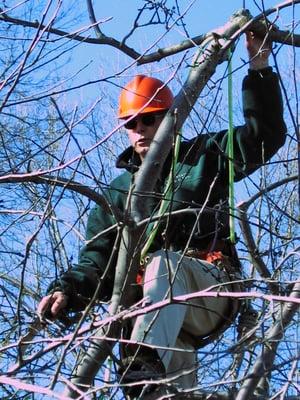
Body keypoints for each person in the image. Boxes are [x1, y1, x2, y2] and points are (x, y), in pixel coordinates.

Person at [38, 32, 286, 398]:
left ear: (170, 119)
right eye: (132, 123)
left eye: (150, 120)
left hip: (208, 289)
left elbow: (263, 135)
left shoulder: (205, 156)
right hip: (158, 318)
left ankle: (143, 363)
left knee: (163, 267)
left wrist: (259, 66)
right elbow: (97, 262)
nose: (140, 130)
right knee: (166, 393)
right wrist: (67, 290)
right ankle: (150, 378)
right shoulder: (118, 194)